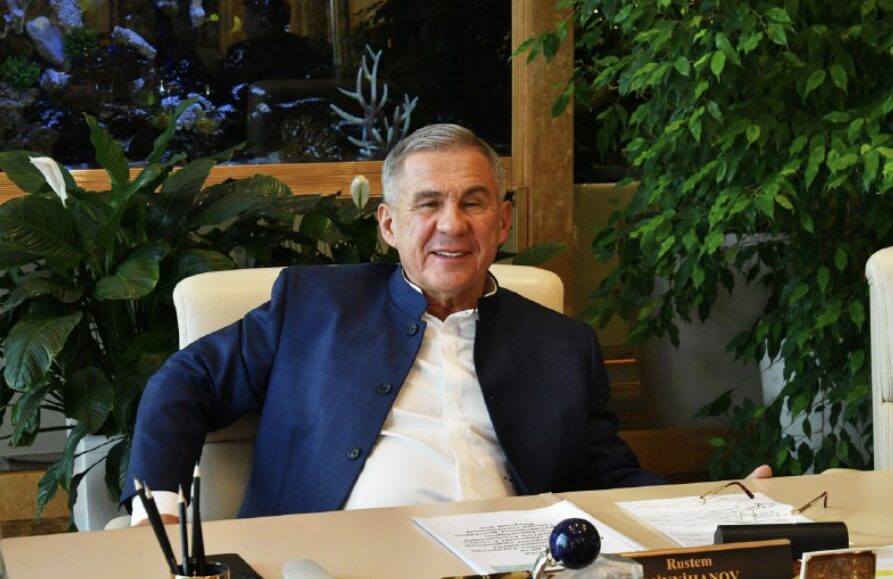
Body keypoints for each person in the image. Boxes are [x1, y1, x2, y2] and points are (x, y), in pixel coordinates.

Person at [124, 124, 688, 524]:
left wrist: (700, 517)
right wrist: (161, 514)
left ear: (503, 222)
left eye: (473, 203)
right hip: (337, 563)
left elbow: (605, 476)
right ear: (389, 225)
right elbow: (187, 380)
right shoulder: (314, 307)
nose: (452, 225)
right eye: (428, 204)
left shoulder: (564, 344)